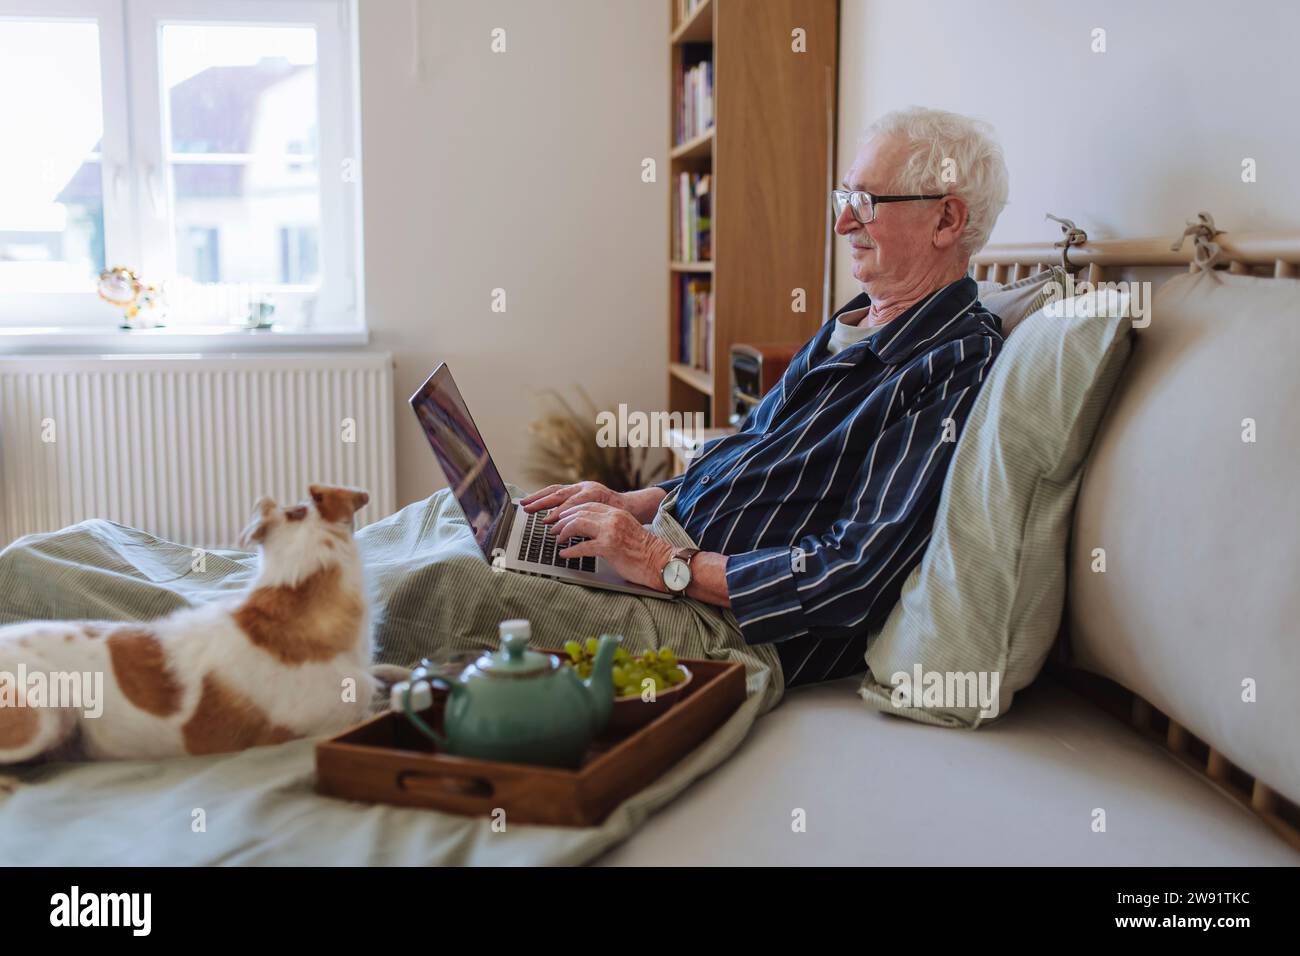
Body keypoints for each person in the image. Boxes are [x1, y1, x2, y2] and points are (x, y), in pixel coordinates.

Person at [522, 106, 1010, 688]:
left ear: (947, 220)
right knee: (460, 525)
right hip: (668, 565)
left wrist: (661, 564)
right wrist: (635, 504)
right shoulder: (851, 327)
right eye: (844, 199)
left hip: (724, 623)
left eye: (865, 204)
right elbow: (748, 450)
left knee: (437, 587)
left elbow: (852, 576)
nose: (842, 225)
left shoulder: (949, 362)